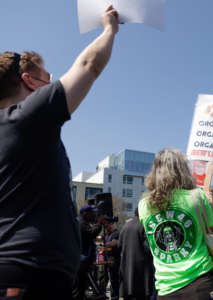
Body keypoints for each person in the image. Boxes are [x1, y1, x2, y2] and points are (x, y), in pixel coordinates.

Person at [0, 6, 120, 300]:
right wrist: (109, 29)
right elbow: (89, 65)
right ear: (29, 80)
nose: (53, 84)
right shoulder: (24, 118)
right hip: (32, 275)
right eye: (48, 77)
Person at [138, 149, 213, 300]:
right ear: (182, 170)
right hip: (201, 281)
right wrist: (210, 203)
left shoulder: (143, 205)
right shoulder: (196, 196)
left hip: (166, 289)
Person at [119, 208, 155, 300]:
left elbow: (119, 246)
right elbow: (148, 248)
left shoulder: (125, 226)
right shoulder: (144, 225)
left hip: (127, 270)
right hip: (142, 272)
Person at [72, 205, 105, 300]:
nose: (94, 215)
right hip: (82, 261)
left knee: (82, 287)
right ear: (85, 214)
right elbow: (91, 233)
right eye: (92, 213)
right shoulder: (81, 223)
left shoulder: (82, 222)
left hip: (83, 260)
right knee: (80, 287)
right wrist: (99, 223)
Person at [104, 217, 120, 300]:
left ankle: (118, 295)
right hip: (108, 261)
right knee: (111, 280)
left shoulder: (116, 233)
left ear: (111, 224)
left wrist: (103, 246)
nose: (106, 227)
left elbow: (113, 244)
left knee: (116, 279)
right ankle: (114, 295)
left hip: (115, 261)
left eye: (107, 225)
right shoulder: (107, 235)